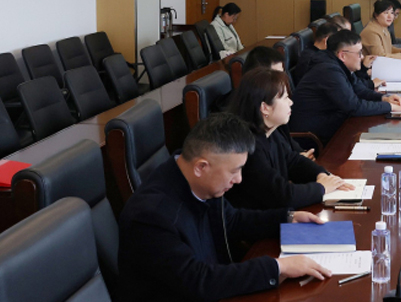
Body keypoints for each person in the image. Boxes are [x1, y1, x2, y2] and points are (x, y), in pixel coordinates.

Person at [117, 113, 333, 302]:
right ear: (201, 167)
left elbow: (231, 220)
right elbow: (199, 280)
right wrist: (278, 267)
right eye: (234, 171)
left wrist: (288, 219)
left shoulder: (200, 180)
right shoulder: (150, 216)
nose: (239, 179)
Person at [224, 68, 352, 210]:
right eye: (285, 98)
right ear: (265, 108)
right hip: (258, 220)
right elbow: (282, 196)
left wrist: (321, 174)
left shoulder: (270, 132)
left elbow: (292, 161)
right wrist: (321, 188)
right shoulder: (249, 147)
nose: (291, 103)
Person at [288, 30, 401, 144]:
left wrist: (384, 99)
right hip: (314, 134)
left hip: (332, 122)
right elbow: (354, 106)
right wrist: (390, 107)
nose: (362, 57)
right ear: (343, 55)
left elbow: (359, 88)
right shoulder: (328, 71)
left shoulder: (337, 65)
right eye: (359, 53)